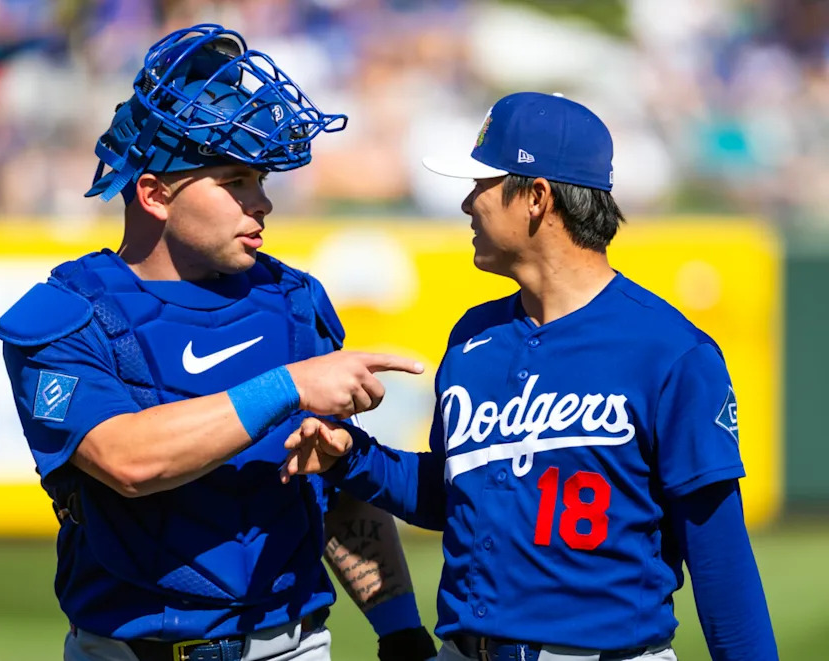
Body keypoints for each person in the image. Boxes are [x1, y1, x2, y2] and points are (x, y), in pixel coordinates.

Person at [281, 92, 779, 661]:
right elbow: (455, 494)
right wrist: (354, 457)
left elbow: (721, 560)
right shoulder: (473, 339)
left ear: (536, 197)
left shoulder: (670, 352)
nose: (469, 202)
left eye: (483, 184)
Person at [0, 24, 438, 661]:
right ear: (153, 194)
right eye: (233, 182)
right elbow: (127, 462)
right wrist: (290, 386)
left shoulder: (295, 302)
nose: (261, 204)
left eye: (260, 181)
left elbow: (331, 488)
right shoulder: (67, 315)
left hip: (291, 645)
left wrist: (399, 631)